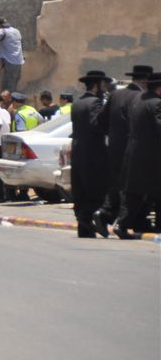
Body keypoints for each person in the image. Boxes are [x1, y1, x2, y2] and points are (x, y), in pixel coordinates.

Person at [94, 66, 153, 237]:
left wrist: (113, 136)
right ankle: (123, 220)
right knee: (133, 187)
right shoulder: (141, 97)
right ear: (144, 82)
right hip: (133, 148)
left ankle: (104, 214)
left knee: (117, 184)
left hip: (114, 147)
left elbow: (101, 120)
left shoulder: (116, 95)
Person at [112, 71, 161, 238]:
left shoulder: (138, 100)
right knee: (140, 193)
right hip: (151, 157)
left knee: (135, 192)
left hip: (135, 153)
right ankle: (123, 224)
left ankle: (122, 224)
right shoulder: (156, 104)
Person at [69, 70, 111, 238]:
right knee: (96, 190)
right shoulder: (95, 103)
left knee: (81, 192)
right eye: (103, 85)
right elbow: (96, 126)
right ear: (96, 85)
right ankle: (86, 221)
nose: (105, 88)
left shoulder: (77, 103)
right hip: (93, 155)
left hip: (78, 154)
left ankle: (83, 227)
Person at [0, 17, 24, 92]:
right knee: (14, 85)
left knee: (6, 87)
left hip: (9, 62)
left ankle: (7, 103)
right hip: (19, 62)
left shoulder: (1, 31)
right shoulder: (16, 31)